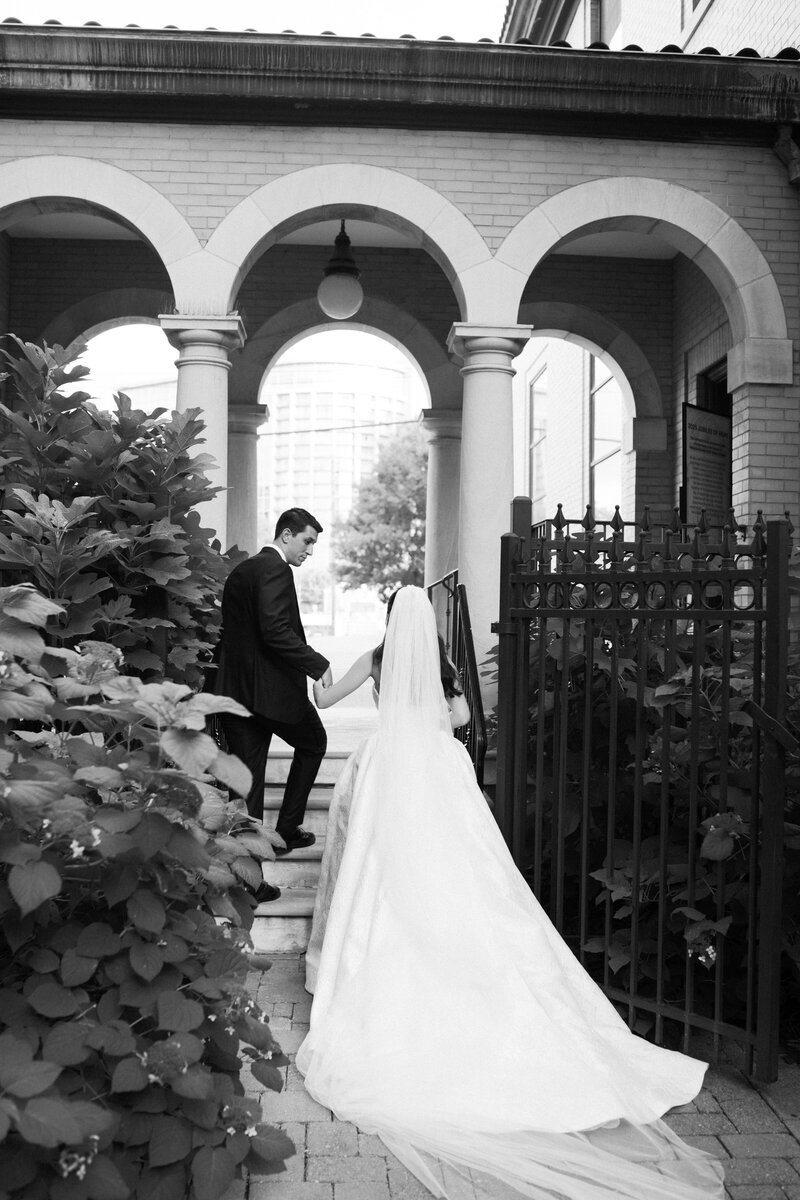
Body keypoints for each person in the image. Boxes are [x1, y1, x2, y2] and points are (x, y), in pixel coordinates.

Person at [296, 586, 724, 1200]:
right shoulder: (443, 665)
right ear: (433, 623)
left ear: (391, 619)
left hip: (386, 766)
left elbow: (326, 699)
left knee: (379, 869)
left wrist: (319, 675)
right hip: (438, 770)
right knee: (460, 868)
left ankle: (370, 964)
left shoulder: (375, 657)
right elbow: (466, 721)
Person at [213, 507, 332, 904]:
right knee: (314, 742)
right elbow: (275, 631)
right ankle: (289, 828)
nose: (310, 551)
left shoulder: (242, 571)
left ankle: (252, 882)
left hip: (237, 694)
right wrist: (317, 663)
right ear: (285, 535)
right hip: (270, 693)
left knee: (248, 788)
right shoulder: (276, 570)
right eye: (307, 541)